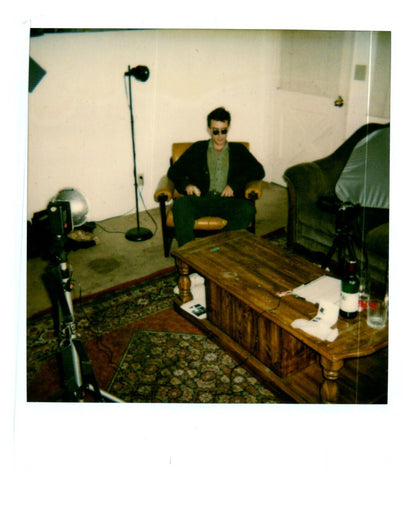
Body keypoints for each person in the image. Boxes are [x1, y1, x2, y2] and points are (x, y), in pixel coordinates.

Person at [167, 107, 265, 247]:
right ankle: (189, 252)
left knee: (248, 210)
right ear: (208, 129)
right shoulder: (198, 148)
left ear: (228, 128)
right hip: (201, 199)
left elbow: (259, 170)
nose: (220, 136)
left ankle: (217, 246)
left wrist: (234, 185)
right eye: (215, 131)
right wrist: (187, 185)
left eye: (223, 131)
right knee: (180, 205)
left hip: (227, 201)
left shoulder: (238, 150)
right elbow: (174, 171)